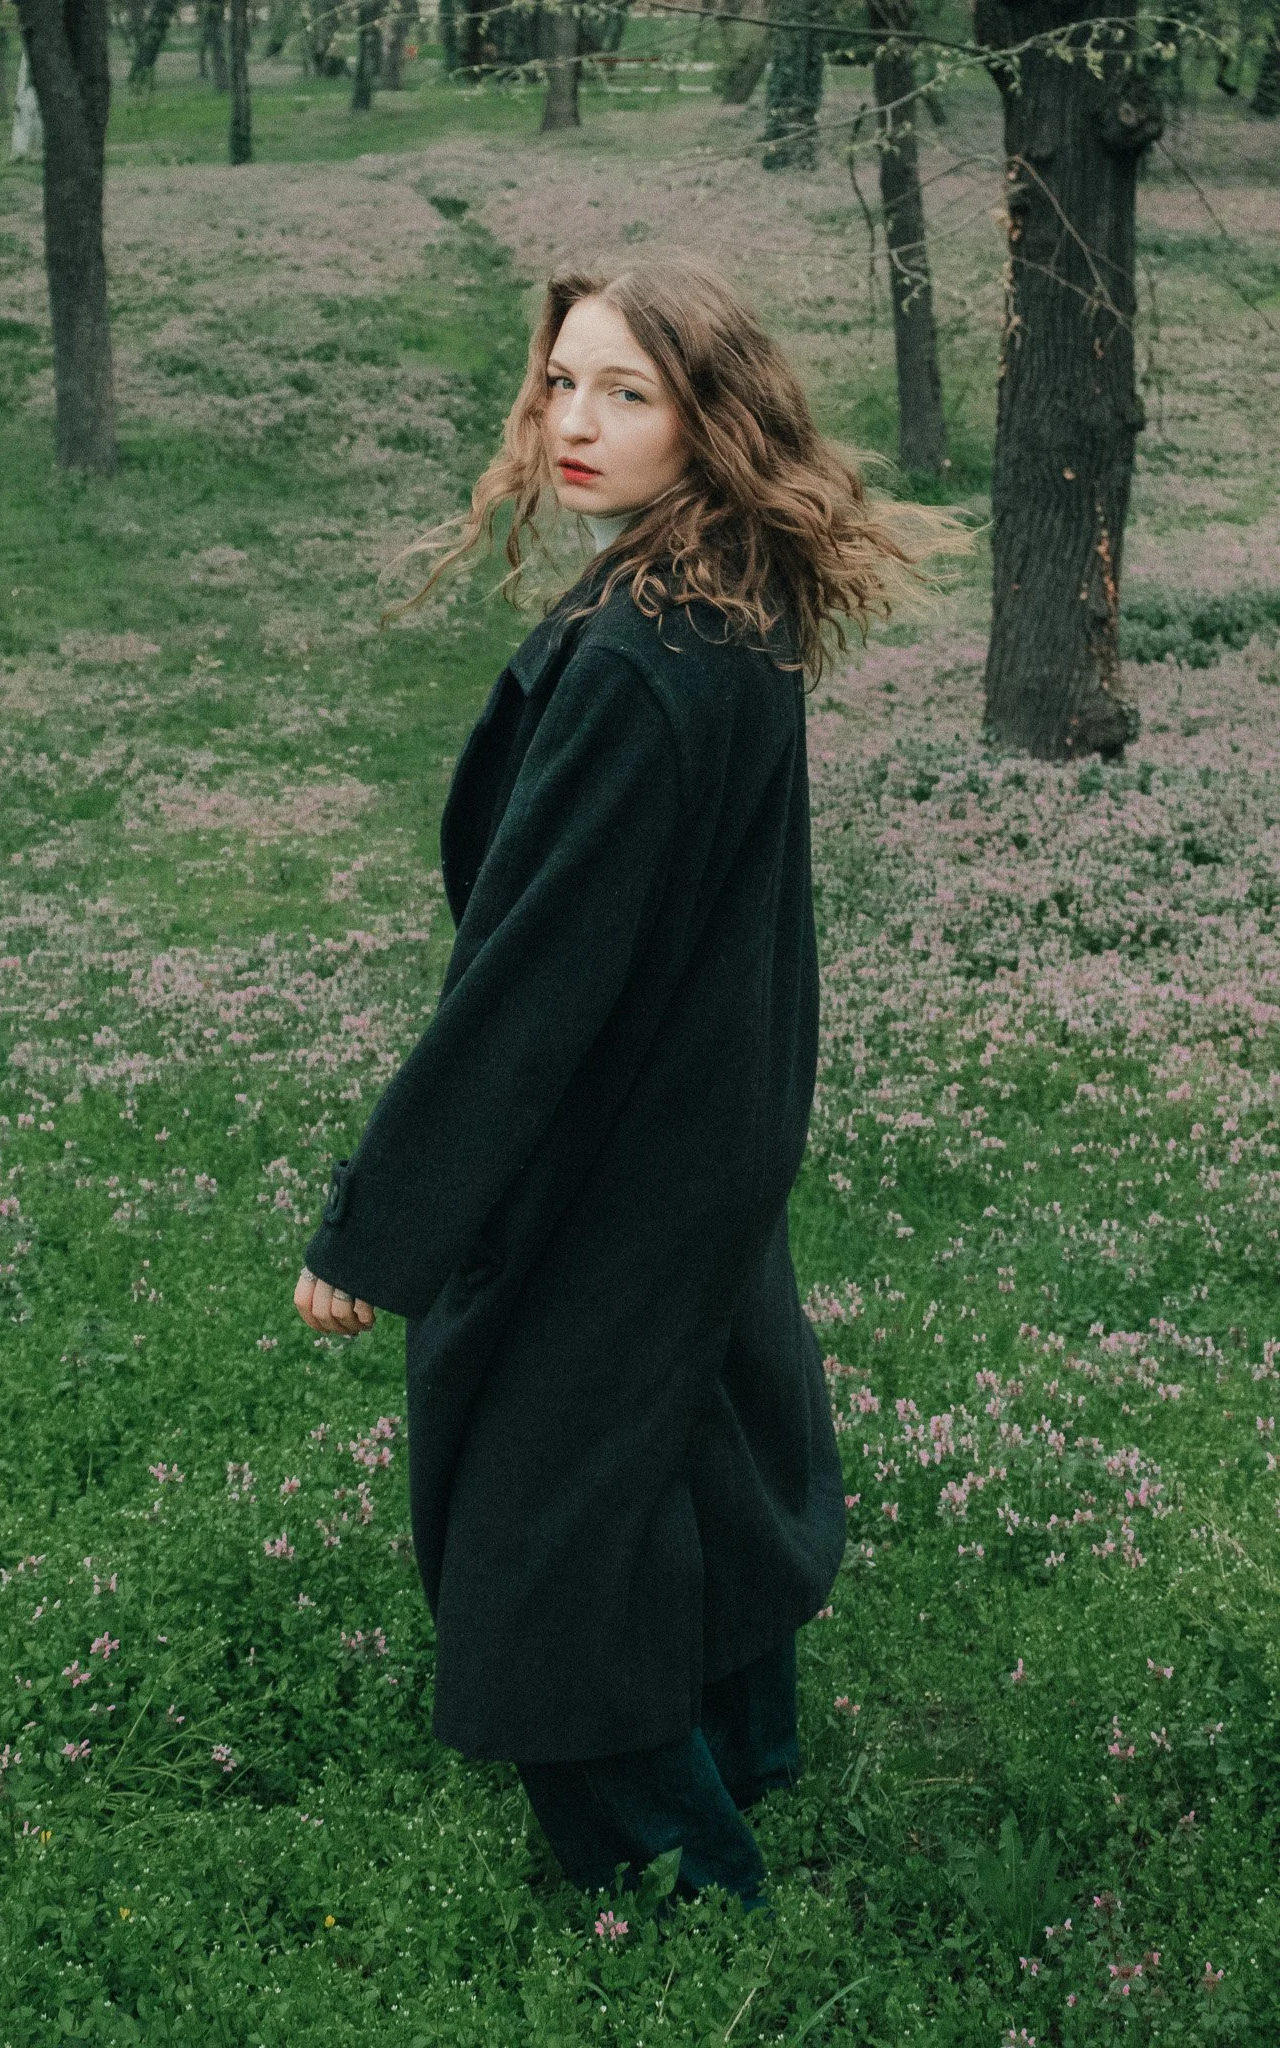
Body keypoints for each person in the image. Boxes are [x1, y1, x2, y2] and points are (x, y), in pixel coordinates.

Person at [294, 255, 941, 1915]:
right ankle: (749, 1749)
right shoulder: (724, 598)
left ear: (709, 421)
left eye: (627, 393)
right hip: (700, 1125)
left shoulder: (650, 660)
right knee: (692, 1440)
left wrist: (382, 1232)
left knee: (537, 1515)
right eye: (560, 384)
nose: (574, 423)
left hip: (622, 1145)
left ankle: (673, 1870)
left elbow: (528, 989)